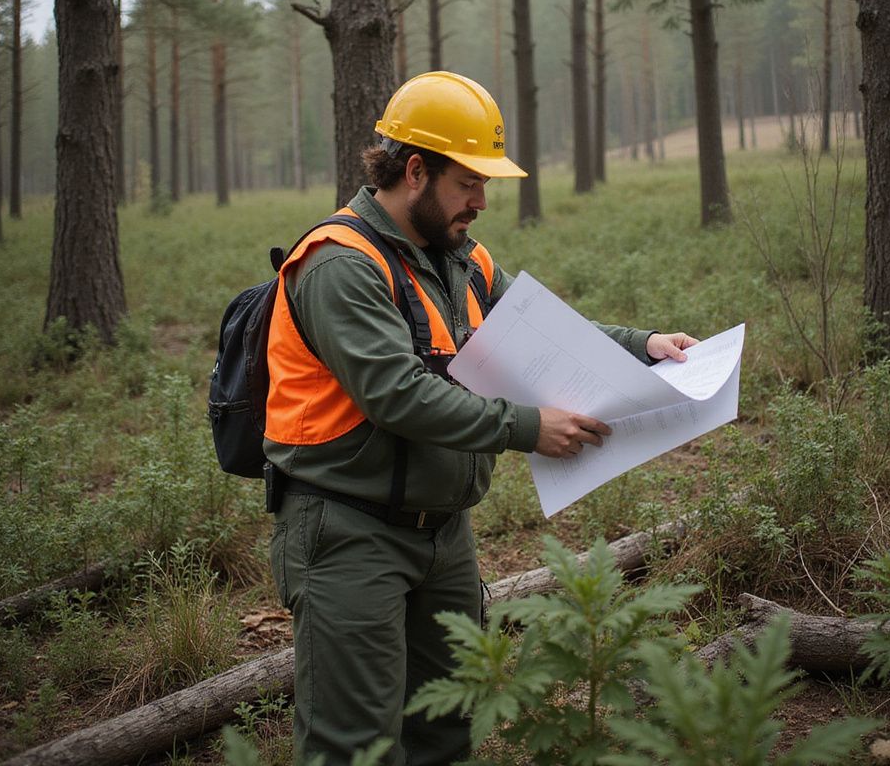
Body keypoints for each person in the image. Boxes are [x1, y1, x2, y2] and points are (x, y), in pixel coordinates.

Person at [263, 70, 696, 766]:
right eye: (469, 183)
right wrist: (530, 428)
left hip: (444, 537)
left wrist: (646, 346)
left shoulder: (462, 260)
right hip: (348, 533)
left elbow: (550, 338)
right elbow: (397, 395)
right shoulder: (340, 266)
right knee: (357, 749)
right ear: (415, 171)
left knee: (447, 730)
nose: (483, 202)